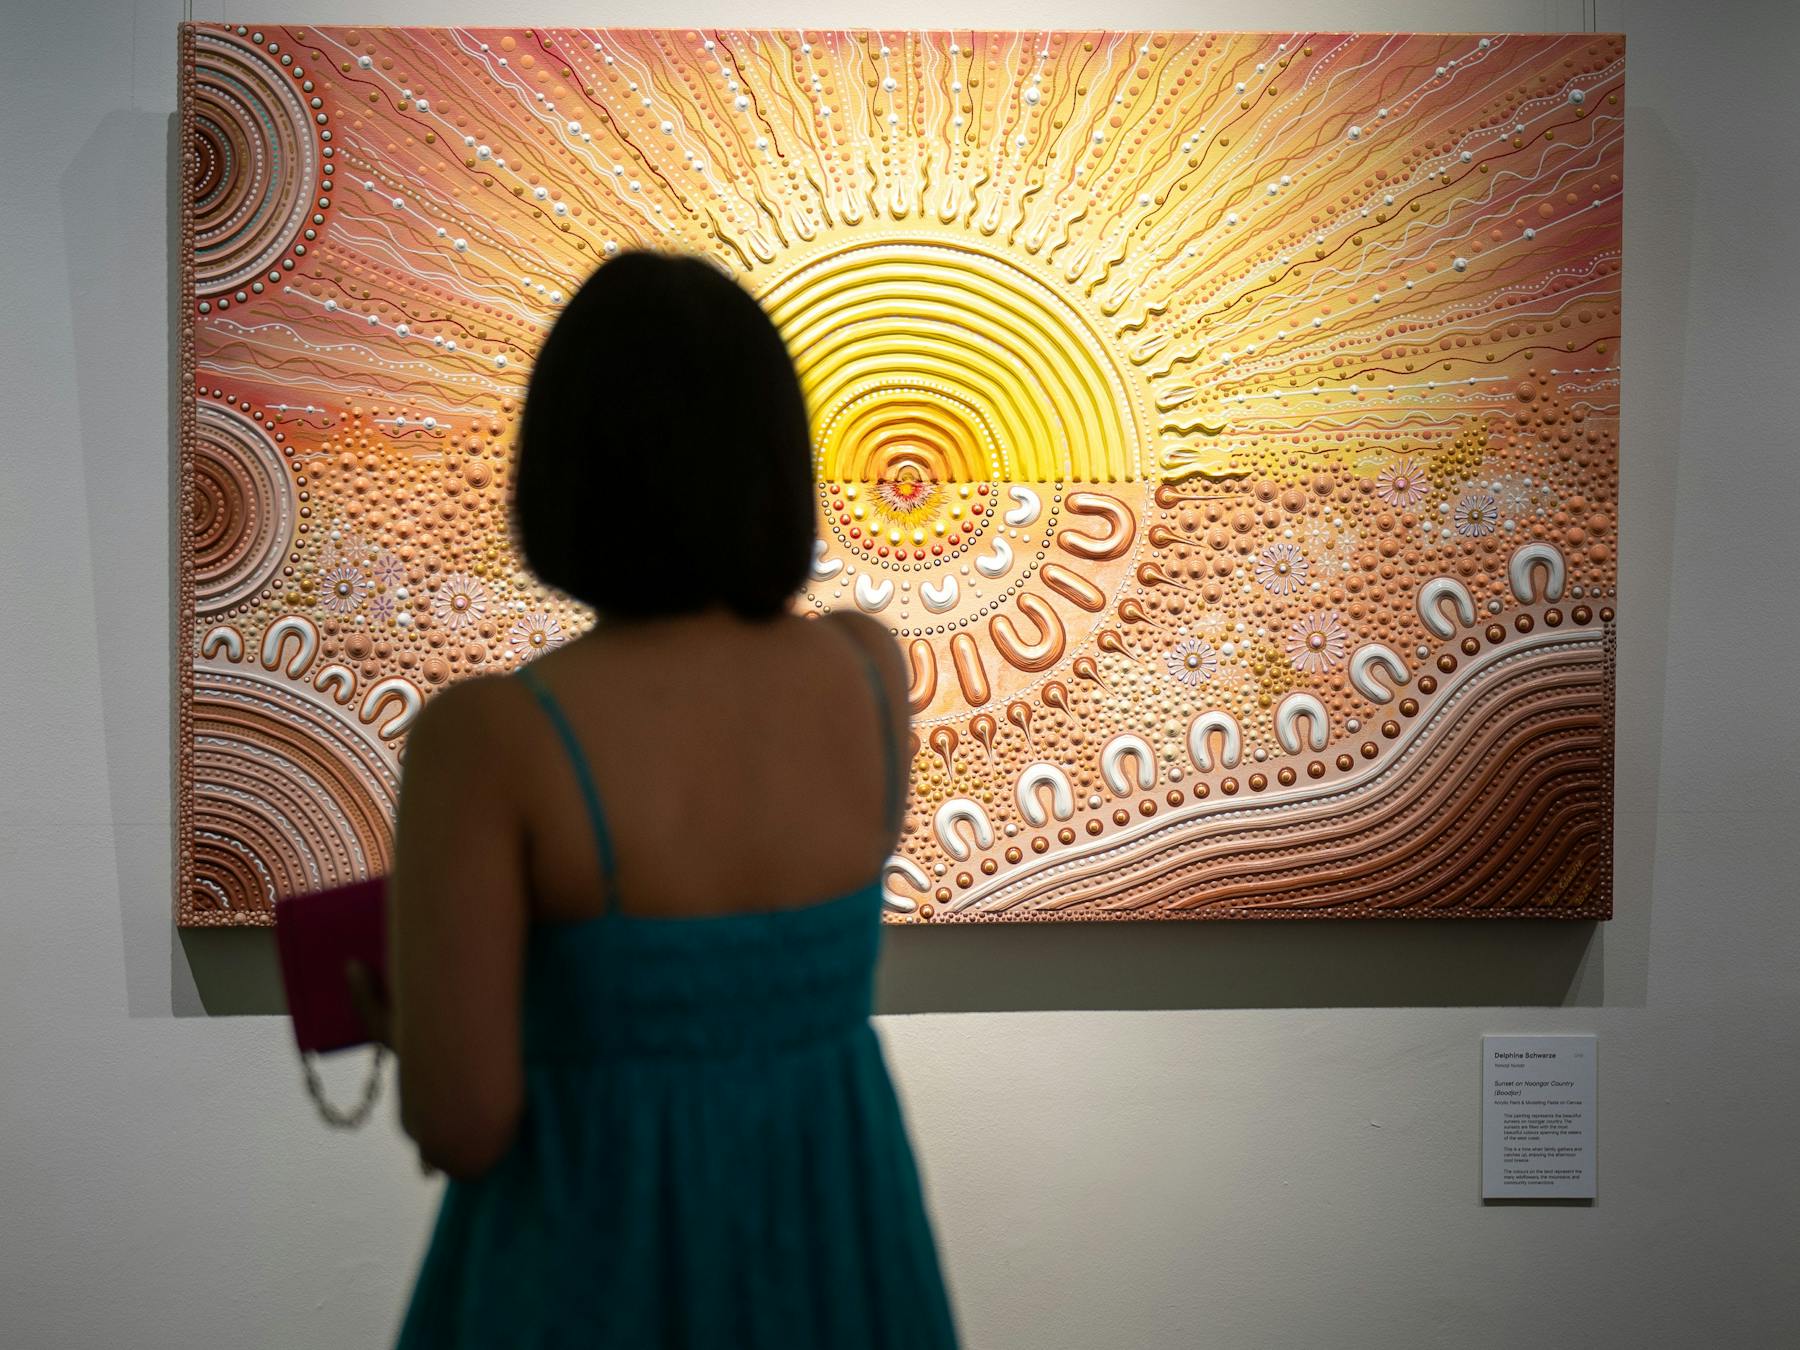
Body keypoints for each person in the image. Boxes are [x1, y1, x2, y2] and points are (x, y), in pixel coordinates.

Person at [359, 252, 959, 1347]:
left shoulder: (488, 737)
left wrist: (406, 1016)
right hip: (839, 1249)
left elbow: (465, 1124)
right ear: (777, 459)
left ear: (564, 464)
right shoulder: (868, 673)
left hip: (589, 1265)